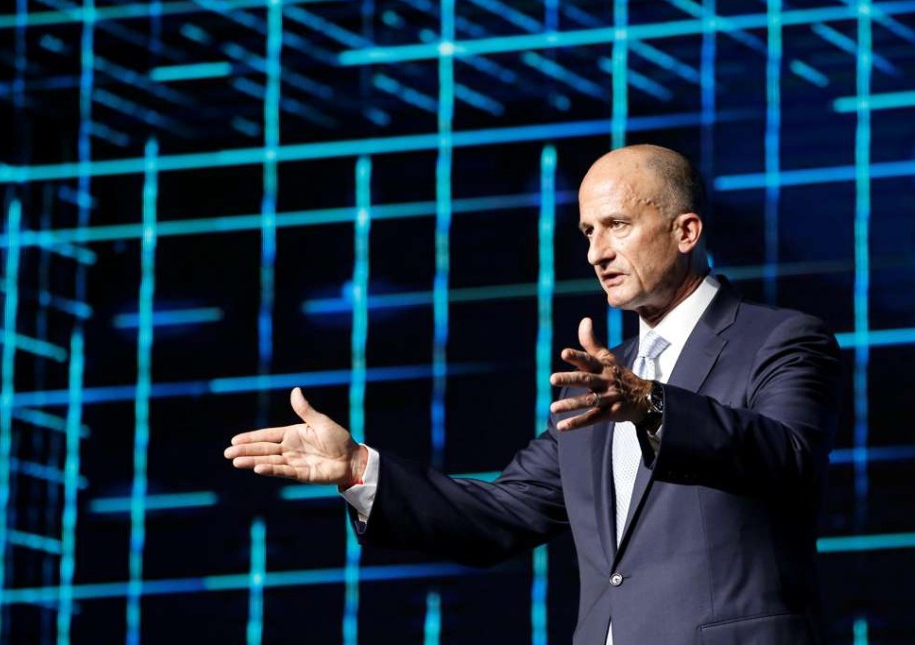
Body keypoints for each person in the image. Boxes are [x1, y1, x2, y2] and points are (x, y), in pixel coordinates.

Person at [225, 144, 843, 644]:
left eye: (618, 226)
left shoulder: (779, 339)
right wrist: (359, 468)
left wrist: (652, 405)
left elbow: (786, 457)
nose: (597, 253)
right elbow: (501, 515)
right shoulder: (604, 377)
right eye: (587, 231)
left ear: (686, 230)